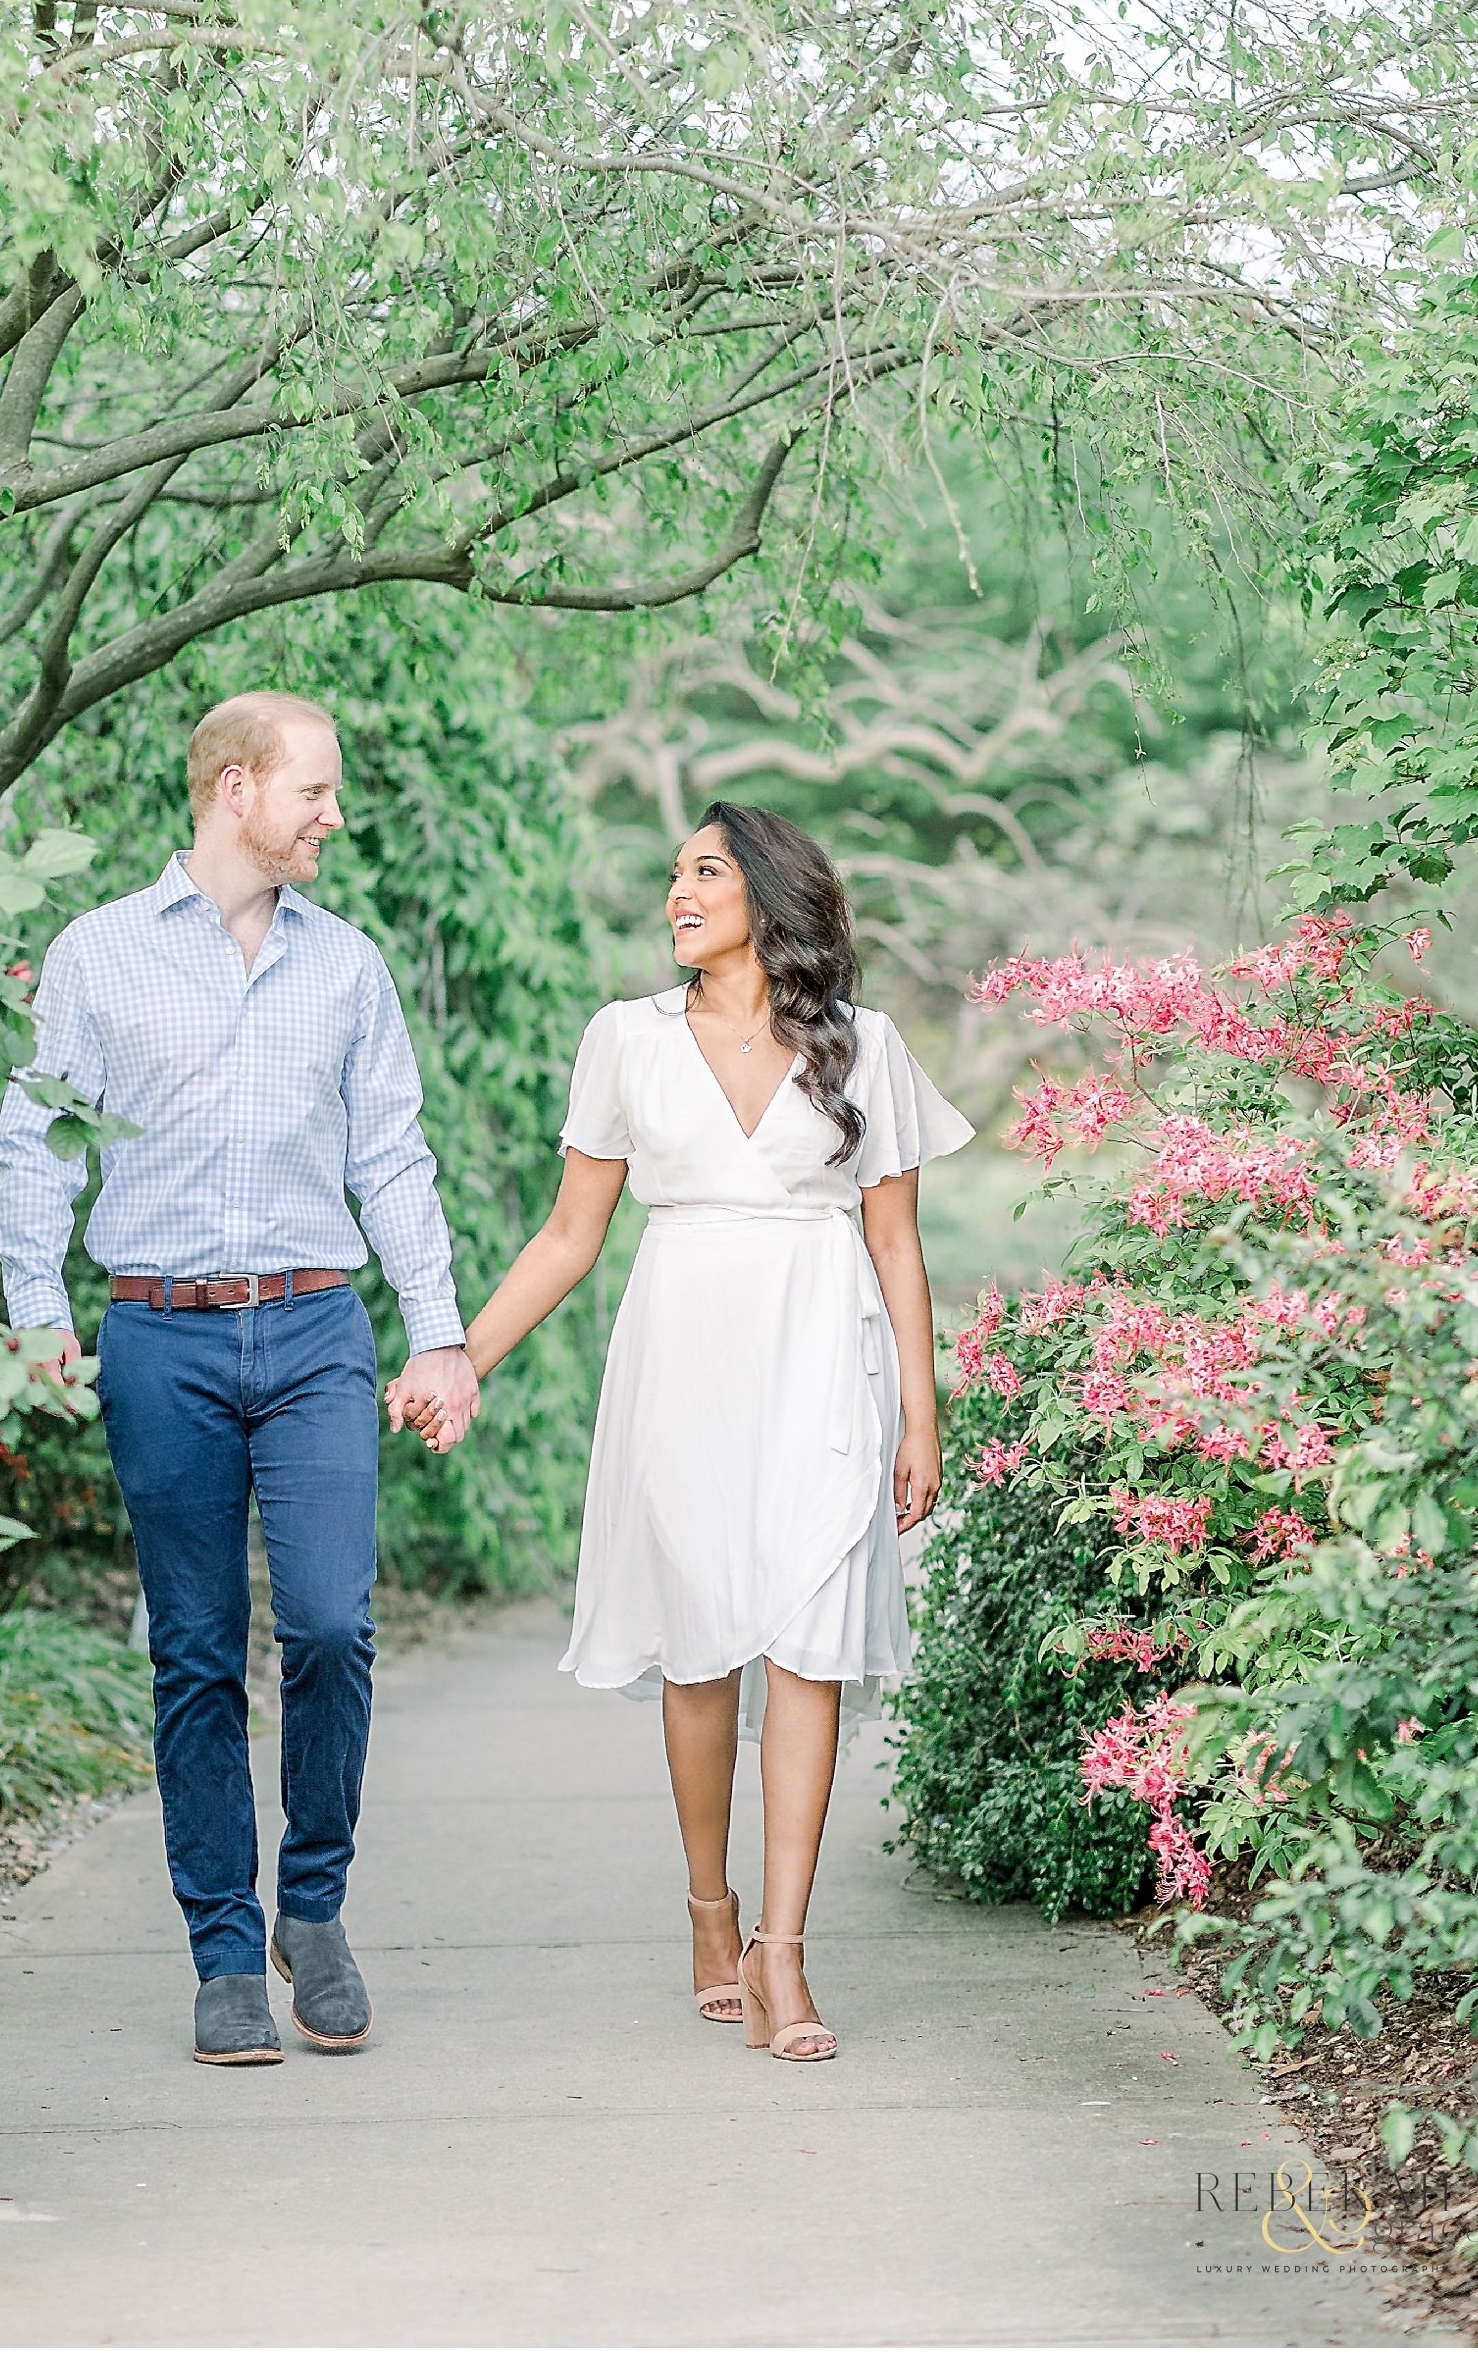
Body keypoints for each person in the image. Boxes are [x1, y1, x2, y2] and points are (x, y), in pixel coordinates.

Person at [423, 801, 971, 2063]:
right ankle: (706, 1904)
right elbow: (570, 1236)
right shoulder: (624, 1039)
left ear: (768, 898)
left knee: (812, 1642)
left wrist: (919, 1407)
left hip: (821, 1356)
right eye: (673, 870)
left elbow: (893, 1238)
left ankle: (782, 1950)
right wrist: (463, 1357)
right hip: (680, 1356)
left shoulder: (865, 1047)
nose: (677, 888)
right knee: (699, 1652)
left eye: (705, 870)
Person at [0, 691, 478, 2069]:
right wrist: (40, 1325)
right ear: (232, 786)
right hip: (162, 1337)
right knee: (194, 1649)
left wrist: (438, 1332)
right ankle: (223, 1947)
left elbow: (391, 1158)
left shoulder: (348, 968)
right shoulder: (97, 958)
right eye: (314, 791)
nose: (333, 815)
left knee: (330, 1627)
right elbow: (38, 1148)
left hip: (318, 1328)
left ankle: (309, 1908)